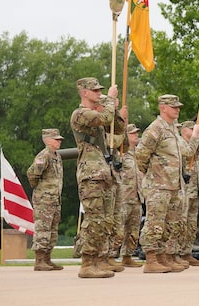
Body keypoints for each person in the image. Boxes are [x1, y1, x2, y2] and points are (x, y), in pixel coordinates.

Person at [70, 77, 127, 279]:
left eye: (100, 90)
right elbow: (103, 119)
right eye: (95, 91)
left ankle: (98, 260)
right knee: (94, 220)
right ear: (84, 93)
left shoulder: (99, 112)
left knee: (105, 221)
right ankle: (87, 263)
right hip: (90, 174)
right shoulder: (80, 114)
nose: (98, 93)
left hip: (103, 173)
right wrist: (110, 101)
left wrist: (116, 110)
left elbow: (118, 129)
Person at [135, 94, 194, 274]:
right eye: (173, 106)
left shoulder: (172, 129)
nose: (177, 109)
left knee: (171, 223)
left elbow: (184, 153)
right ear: (163, 108)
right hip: (158, 185)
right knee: (155, 222)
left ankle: (163, 257)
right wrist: (154, 174)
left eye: (178, 106)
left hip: (174, 184)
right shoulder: (155, 129)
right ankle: (151, 258)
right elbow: (141, 155)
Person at [27, 128, 65, 271]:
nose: (59, 142)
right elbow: (32, 174)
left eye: (59, 139)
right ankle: (39, 260)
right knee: (43, 228)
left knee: (52, 230)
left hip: (55, 199)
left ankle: (47, 259)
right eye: (56, 139)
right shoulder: (45, 155)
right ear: (48, 140)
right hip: (44, 200)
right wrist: (41, 190)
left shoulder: (57, 156)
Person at [177, 121, 199, 267]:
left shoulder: (194, 144)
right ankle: (177, 253)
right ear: (183, 131)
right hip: (184, 189)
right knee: (182, 221)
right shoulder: (181, 143)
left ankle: (187, 252)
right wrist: (195, 137)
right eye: (191, 128)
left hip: (194, 189)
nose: (195, 130)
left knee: (191, 223)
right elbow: (187, 154)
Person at [118, 124, 143, 268]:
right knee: (119, 230)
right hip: (124, 197)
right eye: (132, 133)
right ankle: (109, 256)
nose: (136, 135)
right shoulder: (121, 153)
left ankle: (127, 256)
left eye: (136, 133)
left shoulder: (138, 154)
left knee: (133, 231)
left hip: (137, 197)